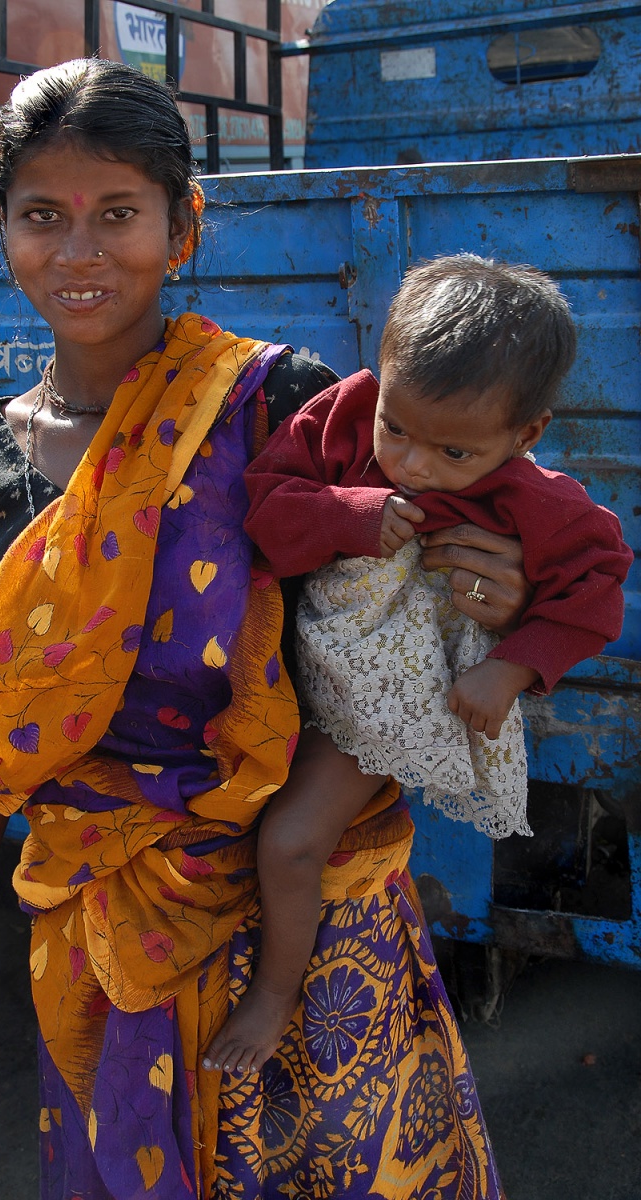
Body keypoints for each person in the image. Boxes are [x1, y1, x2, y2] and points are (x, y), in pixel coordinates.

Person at [0, 59, 533, 1200]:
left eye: (118, 214)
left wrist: (492, 598)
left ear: (182, 226)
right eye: (43, 216)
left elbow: (394, 620)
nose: (80, 251)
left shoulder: (273, 403)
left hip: (308, 918)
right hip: (100, 931)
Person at [204, 255, 632, 1077]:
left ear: (526, 434)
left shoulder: (535, 499)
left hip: (388, 704)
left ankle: (273, 996)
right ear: (381, 370)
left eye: (454, 453)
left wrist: (511, 669)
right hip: (296, 673)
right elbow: (267, 509)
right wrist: (350, 511)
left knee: (292, 842)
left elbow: (596, 586)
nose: (414, 466)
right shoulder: (345, 414)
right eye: (396, 430)